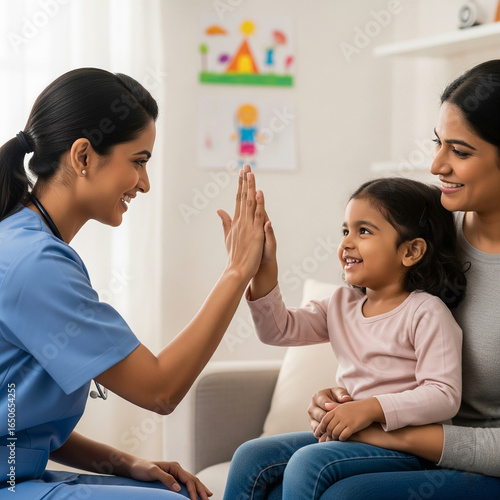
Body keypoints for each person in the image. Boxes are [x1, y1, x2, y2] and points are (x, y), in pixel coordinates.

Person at [0, 68, 268, 500]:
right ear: (83, 156)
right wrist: (237, 271)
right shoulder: (35, 263)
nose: (144, 183)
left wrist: (128, 464)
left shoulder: (26, 242)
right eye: (139, 162)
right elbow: (159, 390)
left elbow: (22, 424)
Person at [305, 59, 500, 499]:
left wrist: (381, 426)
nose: (436, 166)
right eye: (438, 144)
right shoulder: (425, 234)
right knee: (268, 468)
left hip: (477, 461)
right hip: (411, 437)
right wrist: (342, 405)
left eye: (461, 152)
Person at [223, 176, 466, 500]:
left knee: (307, 464)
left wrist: (370, 409)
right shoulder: (341, 304)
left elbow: (444, 395)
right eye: (345, 231)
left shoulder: (426, 312)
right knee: (250, 456)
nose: (347, 243)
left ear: (411, 251)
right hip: (355, 438)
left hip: (411, 450)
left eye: (363, 231)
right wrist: (263, 267)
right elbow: (276, 330)